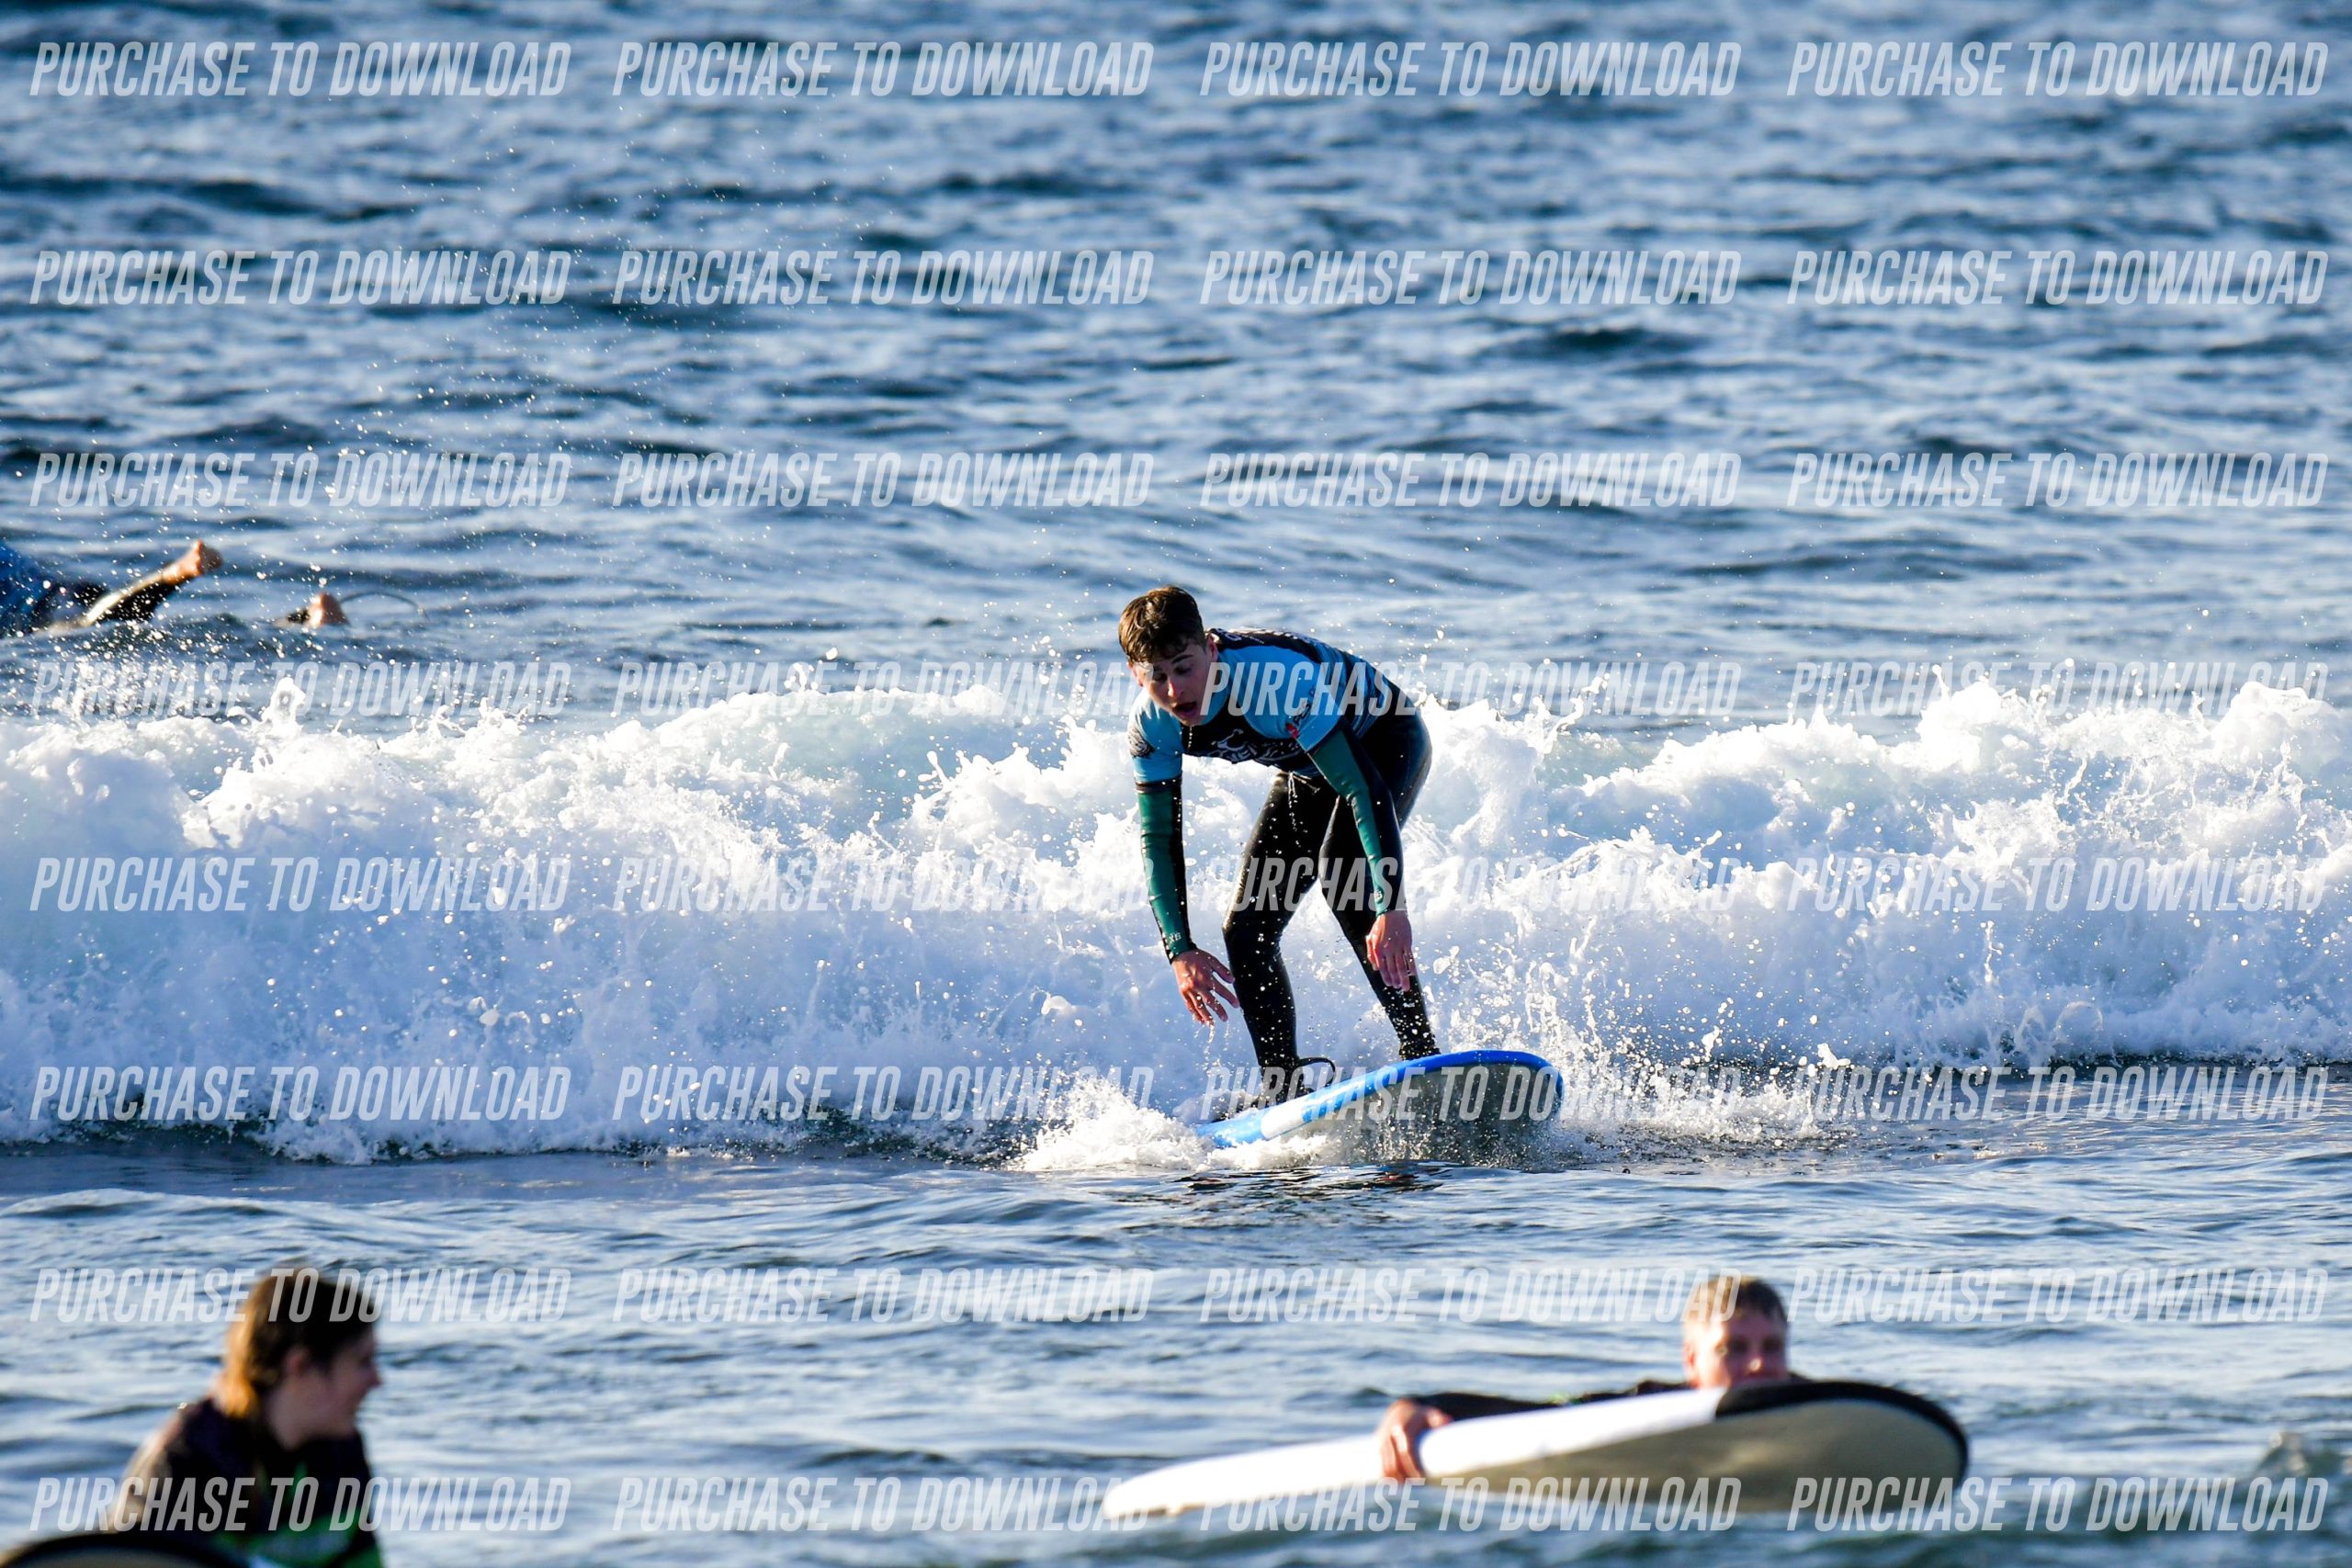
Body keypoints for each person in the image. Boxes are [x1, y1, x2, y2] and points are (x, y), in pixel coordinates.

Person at [1122, 585, 1436, 1102]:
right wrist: (1180, 949)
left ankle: (1422, 1054)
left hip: (1385, 739)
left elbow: (1362, 788)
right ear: (1136, 675)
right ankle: (1282, 1088)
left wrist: (1391, 908)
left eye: (1184, 667)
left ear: (1210, 649)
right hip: (1308, 769)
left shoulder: (1274, 682)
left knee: (1347, 883)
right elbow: (1159, 839)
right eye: (1157, 675)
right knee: (1246, 930)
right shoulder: (1151, 726)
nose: (1175, 690)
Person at [1375, 1274, 1798, 1481]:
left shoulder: (1819, 1404)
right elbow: (1540, 1414)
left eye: (1772, 1348)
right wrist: (1420, 1406)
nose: (1758, 1365)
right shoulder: (1653, 1407)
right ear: (1691, 1360)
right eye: (1733, 1349)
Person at [108, 1266, 385, 1567]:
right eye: (363, 1362)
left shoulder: (343, 1459)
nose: (376, 1380)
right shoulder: (187, 1463)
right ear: (300, 1366)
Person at [0, 536, 345, 634]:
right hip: (68, 590)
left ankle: (173, 574)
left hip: (50, 608)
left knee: (89, 626)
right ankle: (302, 619)